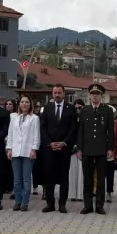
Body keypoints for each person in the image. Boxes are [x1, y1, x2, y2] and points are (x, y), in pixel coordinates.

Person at [40, 84, 78, 213]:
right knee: (49, 177)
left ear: (64, 94)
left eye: (59, 93)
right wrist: (50, 143)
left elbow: (73, 128)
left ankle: (62, 204)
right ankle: (50, 204)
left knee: (63, 177)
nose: (57, 95)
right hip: (49, 149)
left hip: (64, 149)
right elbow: (43, 127)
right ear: (52, 94)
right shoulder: (47, 108)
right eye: (55, 93)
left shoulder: (71, 109)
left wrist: (64, 143)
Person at [77, 84, 114, 214]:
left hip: (101, 149)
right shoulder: (84, 110)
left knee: (100, 180)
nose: (95, 96)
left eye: (97, 94)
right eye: (93, 94)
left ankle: (99, 205)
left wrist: (110, 148)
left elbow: (111, 131)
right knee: (87, 179)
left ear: (101, 96)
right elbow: (80, 131)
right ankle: (87, 205)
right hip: (87, 149)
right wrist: (79, 148)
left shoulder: (107, 110)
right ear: (90, 96)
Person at [7, 95, 40, 212]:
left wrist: (34, 149)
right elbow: (10, 134)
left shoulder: (34, 118)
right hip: (15, 150)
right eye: (22, 102)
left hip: (28, 151)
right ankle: (18, 201)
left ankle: (25, 202)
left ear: (30, 104)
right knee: (16, 179)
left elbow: (36, 135)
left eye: (27, 102)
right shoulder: (14, 117)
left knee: (26, 179)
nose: (24, 104)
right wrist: (9, 148)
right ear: (19, 104)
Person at [68, 99, 83, 198]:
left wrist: (80, 146)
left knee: (82, 173)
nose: (77, 110)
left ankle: (81, 195)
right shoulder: (70, 119)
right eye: (76, 108)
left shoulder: (87, 118)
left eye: (80, 108)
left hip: (83, 148)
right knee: (72, 172)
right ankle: (72, 194)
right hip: (72, 147)